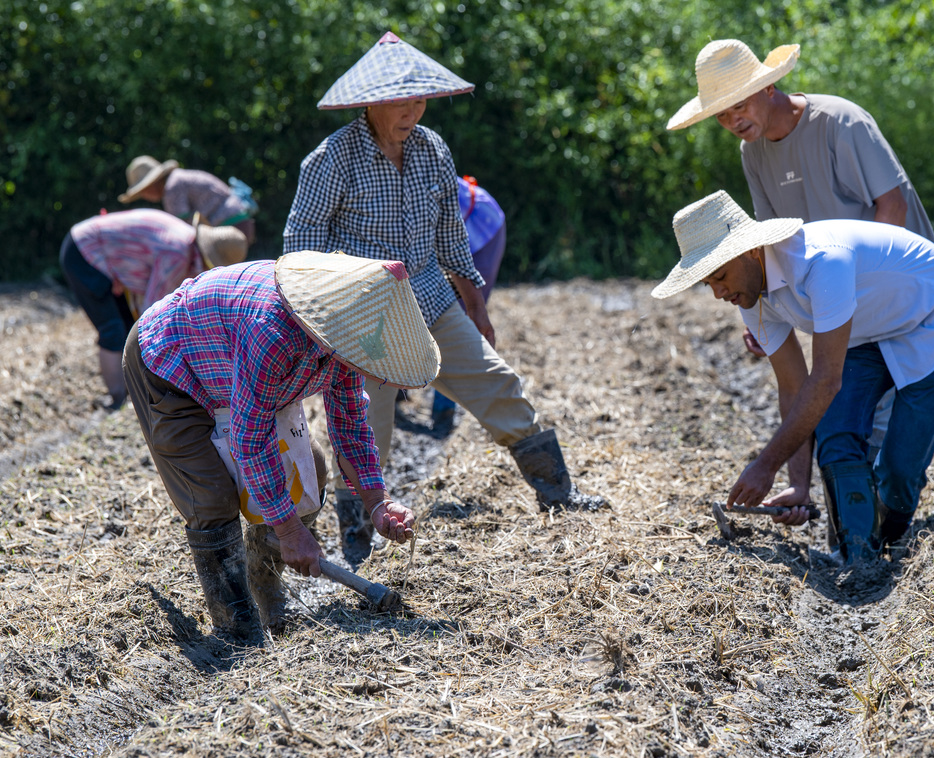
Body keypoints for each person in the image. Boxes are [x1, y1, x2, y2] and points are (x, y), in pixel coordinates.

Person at [284, 32, 605, 561]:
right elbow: (300, 247)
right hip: (363, 317)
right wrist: (317, 328)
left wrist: (477, 305)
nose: (412, 109)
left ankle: (559, 496)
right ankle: (358, 542)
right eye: (400, 100)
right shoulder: (332, 159)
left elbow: (452, 236)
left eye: (419, 98)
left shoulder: (432, 148)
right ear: (370, 102)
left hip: (431, 297)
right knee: (365, 426)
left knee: (498, 383)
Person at [123, 251, 440, 641]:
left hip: (233, 372)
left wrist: (378, 502)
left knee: (312, 472)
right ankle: (235, 629)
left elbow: (351, 425)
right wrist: (290, 530)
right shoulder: (274, 331)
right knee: (212, 497)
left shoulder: (352, 340)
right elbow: (250, 439)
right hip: (172, 366)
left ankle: (264, 582)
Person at [652, 191, 934, 563]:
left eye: (720, 276)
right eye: (708, 283)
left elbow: (825, 381)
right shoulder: (750, 295)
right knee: (836, 431)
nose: (718, 293)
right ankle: (858, 555)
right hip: (869, 328)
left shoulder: (822, 262)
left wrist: (766, 464)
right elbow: (793, 387)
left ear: (751, 251)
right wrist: (797, 485)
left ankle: (888, 543)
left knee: (900, 467)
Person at [59, 208, 247, 409]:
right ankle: (118, 400)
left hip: (93, 246)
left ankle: (129, 392)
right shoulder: (177, 254)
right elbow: (151, 311)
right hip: (84, 250)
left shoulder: (184, 241)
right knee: (113, 328)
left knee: (125, 326)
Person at [429, 175, 509, 429]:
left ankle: (444, 411)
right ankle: (396, 389)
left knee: (455, 317)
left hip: (482, 227)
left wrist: (475, 306)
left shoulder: (418, 175)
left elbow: (446, 247)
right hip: (450, 236)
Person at [119, 156, 259, 244]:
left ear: (152, 184)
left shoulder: (172, 189)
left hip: (229, 229)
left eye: (143, 192)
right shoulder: (178, 178)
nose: (145, 196)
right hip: (240, 221)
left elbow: (181, 231)